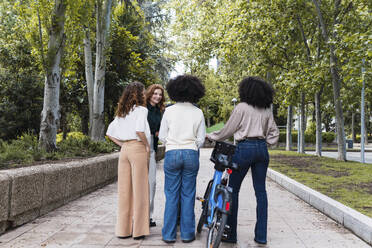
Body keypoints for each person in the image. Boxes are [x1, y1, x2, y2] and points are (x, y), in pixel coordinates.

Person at [207, 76, 279, 245]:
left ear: (245, 90)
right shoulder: (266, 109)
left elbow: (228, 130)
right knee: (261, 192)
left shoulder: (241, 107)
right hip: (262, 150)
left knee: (233, 191)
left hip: (244, 149)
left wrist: (212, 136)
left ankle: (230, 234)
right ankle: (261, 236)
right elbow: (274, 133)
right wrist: (265, 143)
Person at [159, 75, 206, 243]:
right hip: (191, 153)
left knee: (171, 195)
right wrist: (190, 145)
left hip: (172, 153)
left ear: (174, 91)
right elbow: (201, 139)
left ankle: (169, 235)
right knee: (188, 194)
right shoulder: (198, 112)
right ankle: (187, 235)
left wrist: (173, 143)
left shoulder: (169, 111)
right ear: (195, 92)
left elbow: (162, 136)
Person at [106, 81, 151, 240]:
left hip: (124, 150)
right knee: (140, 190)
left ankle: (123, 231)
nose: (145, 94)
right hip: (137, 148)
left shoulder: (122, 111)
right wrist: (146, 146)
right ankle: (138, 231)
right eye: (143, 92)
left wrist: (123, 144)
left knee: (124, 191)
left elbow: (110, 133)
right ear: (139, 94)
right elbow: (139, 130)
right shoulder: (141, 110)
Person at [145, 84, 165, 227]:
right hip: (142, 146)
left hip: (153, 147)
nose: (157, 96)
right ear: (150, 94)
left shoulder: (160, 111)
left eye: (160, 94)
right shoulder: (142, 108)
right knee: (142, 183)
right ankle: (140, 216)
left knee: (152, 183)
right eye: (155, 94)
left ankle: (148, 216)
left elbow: (160, 130)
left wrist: (158, 132)